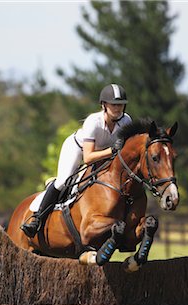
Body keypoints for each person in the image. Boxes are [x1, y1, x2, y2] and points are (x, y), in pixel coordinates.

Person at [21, 83, 132, 238]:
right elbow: (88, 158)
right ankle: (37, 218)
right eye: (114, 104)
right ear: (104, 105)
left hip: (105, 155)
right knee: (64, 181)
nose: (118, 108)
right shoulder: (94, 122)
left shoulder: (126, 121)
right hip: (78, 149)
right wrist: (112, 151)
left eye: (121, 105)